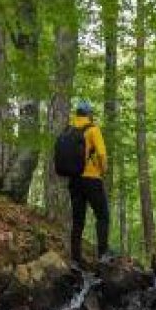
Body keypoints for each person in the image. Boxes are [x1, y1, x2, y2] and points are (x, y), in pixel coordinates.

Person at [66, 101, 110, 268]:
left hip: (74, 180)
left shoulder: (68, 131)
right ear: (89, 114)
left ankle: (75, 260)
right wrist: (103, 170)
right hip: (92, 179)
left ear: (77, 114)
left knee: (78, 220)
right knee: (102, 215)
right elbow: (101, 154)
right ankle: (103, 255)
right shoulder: (93, 129)